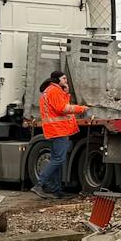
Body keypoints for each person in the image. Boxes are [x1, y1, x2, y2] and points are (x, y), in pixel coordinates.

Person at [31, 70, 87, 198]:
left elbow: (59, 105)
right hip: (59, 130)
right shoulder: (54, 90)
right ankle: (40, 184)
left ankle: (56, 191)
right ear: (57, 80)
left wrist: (66, 92)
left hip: (53, 130)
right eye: (64, 79)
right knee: (58, 159)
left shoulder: (49, 90)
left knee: (57, 159)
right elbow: (63, 109)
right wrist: (81, 108)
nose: (65, 81)